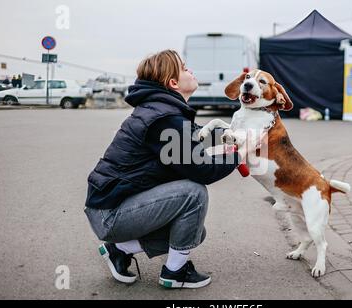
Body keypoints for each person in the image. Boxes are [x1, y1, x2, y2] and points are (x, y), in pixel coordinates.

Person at [84, 50, 254, 288]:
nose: (190, 70)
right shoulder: (164, 118)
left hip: (109, 206)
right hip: (110, 214)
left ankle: (119, 250)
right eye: (184, 68)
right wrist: (238, 155)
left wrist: (230, 137)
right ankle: (175, 273)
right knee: (194, 193)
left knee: (192, 233)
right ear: (173, 83)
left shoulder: (163, 111)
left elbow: (194, 139)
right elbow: (201, 170)